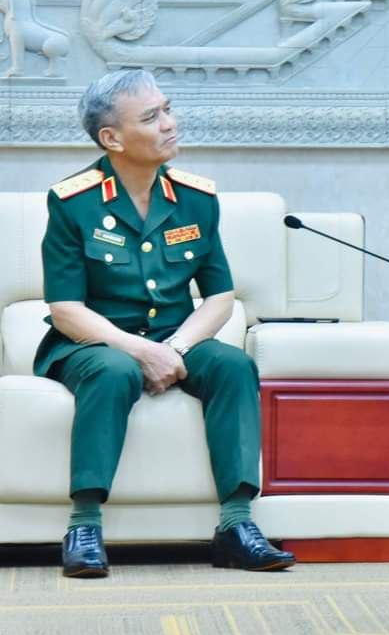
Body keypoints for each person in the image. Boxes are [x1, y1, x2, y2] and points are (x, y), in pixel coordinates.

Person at [35, 69, 295, 578]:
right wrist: (138, 350)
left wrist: (172, 349)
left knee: (233, 366)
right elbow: (66, 309)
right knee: (114, 371)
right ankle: (84, 525)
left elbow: (219, 297)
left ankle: (236, 524)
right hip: (92, 342)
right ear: (112, 138)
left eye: (168, 110)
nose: (170, 124)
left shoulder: (196, 199)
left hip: (177, 337)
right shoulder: (72, 202)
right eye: (152, 117)